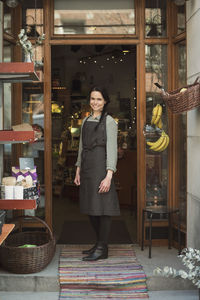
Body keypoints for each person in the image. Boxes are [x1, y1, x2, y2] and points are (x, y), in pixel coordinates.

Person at [74, 86, 120, 261]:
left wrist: (109, 175)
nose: (95, 102)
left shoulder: (109, 121)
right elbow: (81, 147)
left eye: (99, 99)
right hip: (87, 168)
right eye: (93, 98)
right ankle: (101, 244)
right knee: (91, 208)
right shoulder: (85, 121)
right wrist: (78, 169)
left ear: (105, 101)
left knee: (103, 208)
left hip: (101, 168)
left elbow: (112, 150)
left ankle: (101, 247)